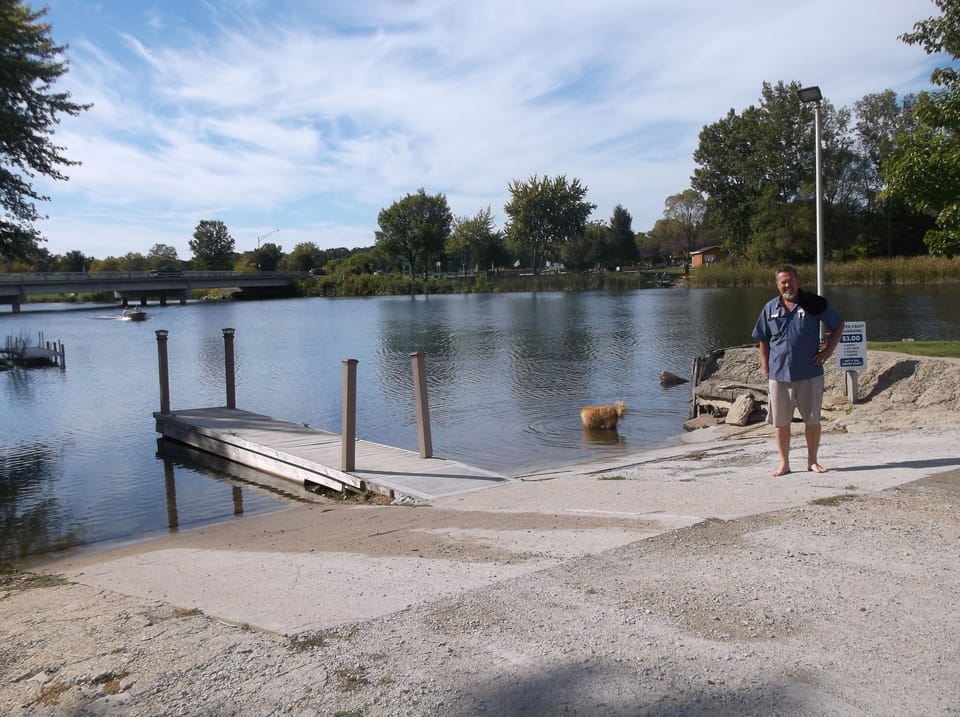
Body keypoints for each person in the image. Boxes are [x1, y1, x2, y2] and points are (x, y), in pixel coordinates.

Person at [752, 265, 844, 477]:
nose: (787, 285)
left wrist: (827, 352)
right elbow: (763, 339)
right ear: (777, 285)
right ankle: (784, 463)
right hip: (779, 375)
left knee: (812, 420)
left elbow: (838, 325)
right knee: (781, 422)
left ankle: (812, 461)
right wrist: (765, 366)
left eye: (791, 281)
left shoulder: (812, 304)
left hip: (809, 373)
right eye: (783, 281)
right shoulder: (770, 308)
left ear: (798, 281)